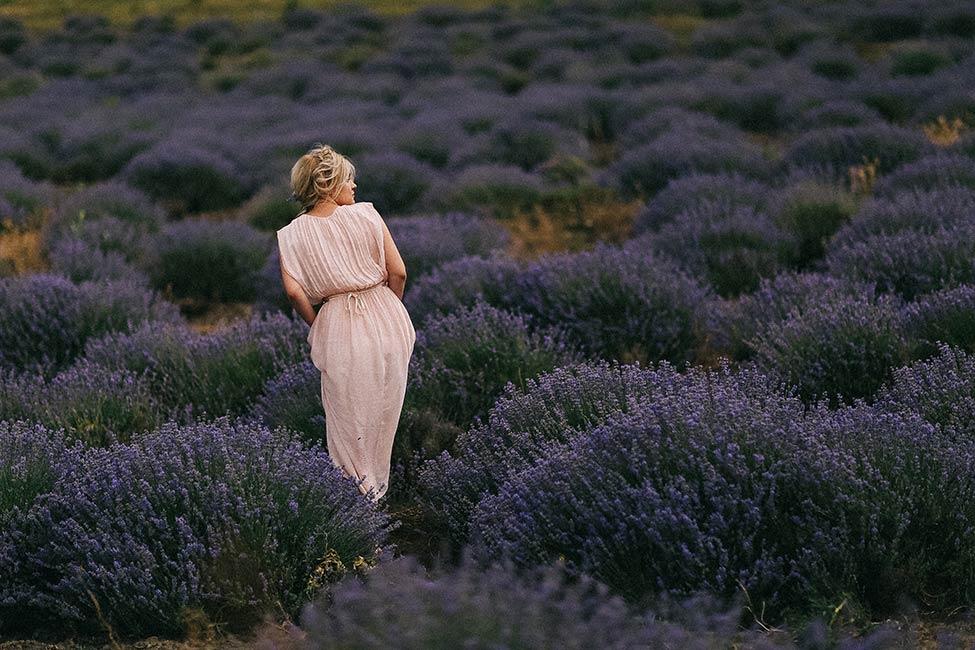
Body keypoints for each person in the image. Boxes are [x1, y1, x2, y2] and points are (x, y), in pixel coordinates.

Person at [276, 143, 416, 503]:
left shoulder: (291, 234)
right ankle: (377, 494)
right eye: (348, 179)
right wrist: (388, 308)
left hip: (338, 322)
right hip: (386, 315)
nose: (354, 186)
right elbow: (398, 271)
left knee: (346, 419)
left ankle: (359, 502)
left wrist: (316, 323)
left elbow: (294, 292)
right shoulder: (368, 215)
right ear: (328, 183)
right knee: (385, 410)